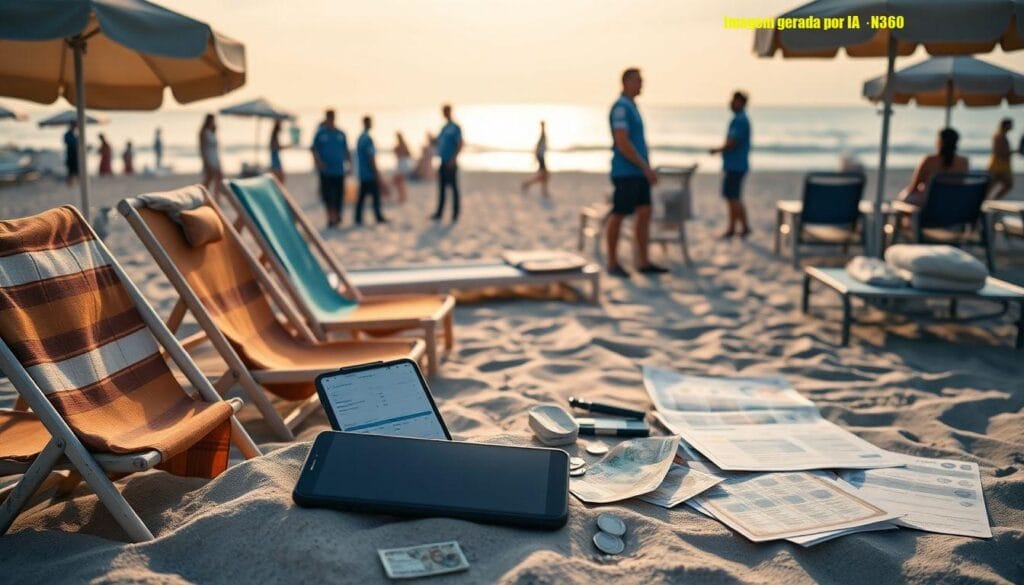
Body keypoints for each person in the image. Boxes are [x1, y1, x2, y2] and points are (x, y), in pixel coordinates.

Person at [605, 68, 667, 277]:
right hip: (626, 172)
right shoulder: (621, 108)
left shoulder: (632, 106)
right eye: (638, 81)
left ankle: (643, 261)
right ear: (626, 82)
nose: (642, 85)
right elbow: (622, 142)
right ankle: (612, 262)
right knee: (619, 214)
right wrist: (644, 166)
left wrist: (645, 168)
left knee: (645, 213)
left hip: (638, 172)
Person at [709, 91, 752, 238]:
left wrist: (717, 150)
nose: (731, 103)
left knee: (733, 197)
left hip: (736, 165)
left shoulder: (739, 120)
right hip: (737, 164)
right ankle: (739, 227)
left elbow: (732, 142)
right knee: (734, 197)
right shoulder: (741, 119)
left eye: (734, 100)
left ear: (741, 102)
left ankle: (736, 227)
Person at [898, 128, 968, 206]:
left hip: (930, 203)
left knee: (903, 197)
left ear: (939, 142)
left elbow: (914, 186)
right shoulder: (964, 162)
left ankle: (912, 218)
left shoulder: (929, 160)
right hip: (953, 202)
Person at [311, 109, 350, 228]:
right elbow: (314, 149)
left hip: (339, 170)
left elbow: (346, 150)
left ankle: (337, 216)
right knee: (327, 196)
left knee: (339, 195)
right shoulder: (320, 134)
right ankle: (330, 218)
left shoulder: (340, 133)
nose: (331, 120)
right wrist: (318, 162)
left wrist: (350, 165)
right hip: (326, 171)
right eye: (329, 117)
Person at [355, 116, 388, 225]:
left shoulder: (360, 137)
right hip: (368, 172)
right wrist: (376, 172)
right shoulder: (367, 139)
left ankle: (358, 218)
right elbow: (371, 157)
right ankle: (378, 216)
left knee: (362, 196)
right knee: (375, 195)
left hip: (362, 172)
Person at [431, 105, 463, 222]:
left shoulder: (455, 127)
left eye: (445, 111)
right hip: (442, 161)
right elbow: (437, 142)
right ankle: (439, 213)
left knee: (453, 188)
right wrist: (431, 139)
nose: (444, 113)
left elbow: (460, 144)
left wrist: (453, 158)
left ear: (449, 112)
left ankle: (455, 214)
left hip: (450, 162)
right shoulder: (444, 128)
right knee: (442, 188)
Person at [521, 120, 550, 197]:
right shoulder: (542, 135)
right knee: (544, 175)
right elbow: (539, 147)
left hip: (541, 156)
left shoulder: (542, 134)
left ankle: (542, 190)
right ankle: (528, 184)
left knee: (544, 175)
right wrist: (537, 156)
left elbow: (539, 147)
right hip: (540, 156)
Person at [988, 118, 1013, 200]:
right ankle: (992, 199)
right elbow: (997, 152)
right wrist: (1011, 152)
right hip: (999, 165)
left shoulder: (1001, 135)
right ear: (1005, 125)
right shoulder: (1000, 136)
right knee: (1007, 184)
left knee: (992, 185)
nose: (1012, 126)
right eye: (1010, 124)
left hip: (1001, 164)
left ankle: (991, 199)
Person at [199, 114, 222, 194]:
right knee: (209, 178)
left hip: (215, 156)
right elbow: (202, 148)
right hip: (209, 157)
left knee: (219, 177)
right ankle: (203, 195)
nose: (214, 122)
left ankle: (216, 197)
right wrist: (205, 161)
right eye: (212, 120)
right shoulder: (204, 132)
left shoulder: (212, 132)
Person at [392, 132, 412, 203]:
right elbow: (409, 155)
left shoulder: (400, 146)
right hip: (403, 164)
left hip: (402, 164)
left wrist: (400, 153)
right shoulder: (403, 145)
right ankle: (402, 196)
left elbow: (407, 154)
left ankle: (402, 196)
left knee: (399, 181)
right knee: (400, 181)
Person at [270, 119, 285, 184]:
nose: (282, 127)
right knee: (279, 179)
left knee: (280, 178)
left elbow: (275, 147)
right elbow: (276, 147)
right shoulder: (274, 136)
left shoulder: (274, 135)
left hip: (275, 159)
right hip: (275, 159)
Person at [64, 122, 78, 187]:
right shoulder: (68, 135)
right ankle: (69, 183)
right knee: (71, 171)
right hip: (71, 155)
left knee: (75, 170)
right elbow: (70, 144)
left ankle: (74, 183)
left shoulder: (74, 134)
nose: (74, 128)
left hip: (75, 155)